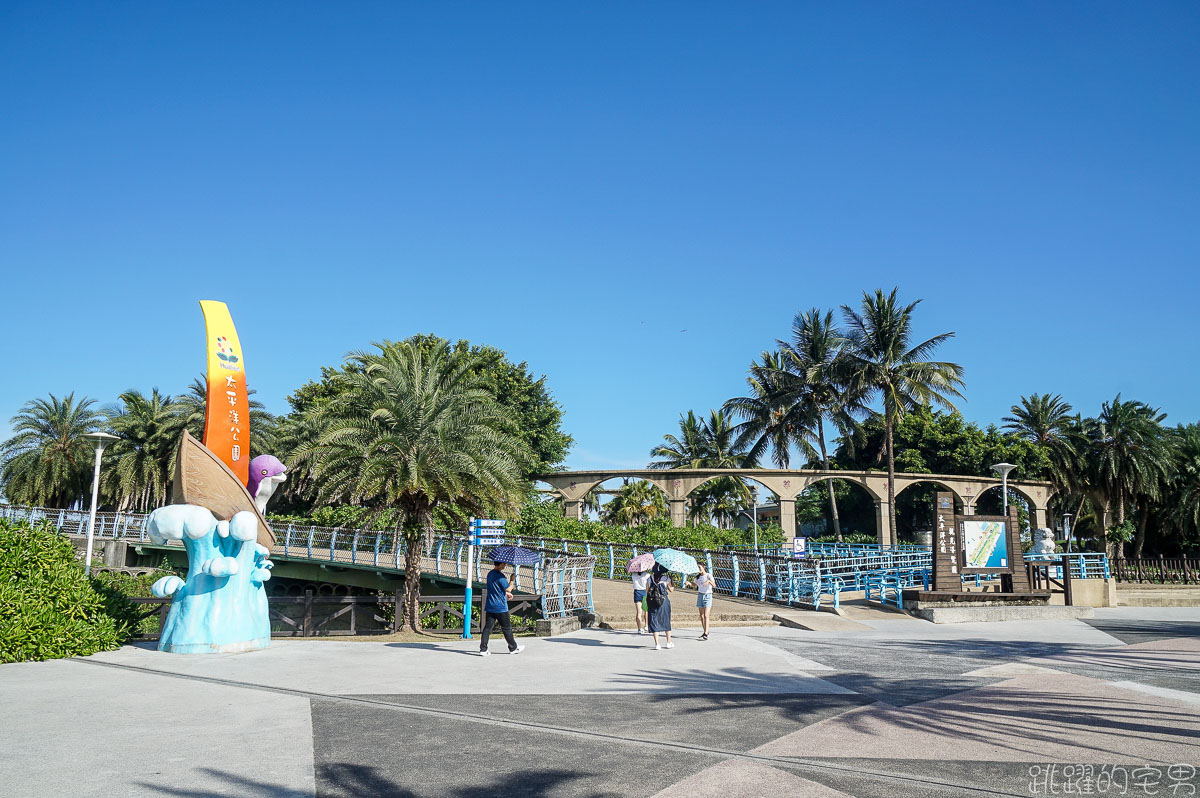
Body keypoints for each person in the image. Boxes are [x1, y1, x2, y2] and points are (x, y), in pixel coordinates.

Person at [479, 560, 524, 656]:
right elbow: (508, 588)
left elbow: (495, 588)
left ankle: (483, 649)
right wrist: (512, 580)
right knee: (507, 628)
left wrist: (506, 594)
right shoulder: (500, 576)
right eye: (503, 563)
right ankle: (513, 648)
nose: (505, 565)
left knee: (487, 628)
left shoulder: (490, 574)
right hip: (500, 607)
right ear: (500, 564)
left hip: (490, 605)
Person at [646, 563, 674, 650]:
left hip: (653, 602)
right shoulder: (666, 578)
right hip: (664, 601)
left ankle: (657, 644)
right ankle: (668, 642)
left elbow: (647, 591)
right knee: (666, 620)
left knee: (654, 620)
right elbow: (671, 590)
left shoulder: (649, 578)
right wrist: (671, 580)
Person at [690, 563, 714, 640]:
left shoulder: (708, 575)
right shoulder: (698, 577)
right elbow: (694, 585)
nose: (699, 569)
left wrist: (709, 582)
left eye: (699, 567)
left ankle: (706, 633)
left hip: (708, 595)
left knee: (706, 615)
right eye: (698, 568)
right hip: (700, 595)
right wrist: (689, 583)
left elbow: (714, 585)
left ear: (704, 567)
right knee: (702, 615)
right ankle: (705, 631)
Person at [631, 566, 651, 634]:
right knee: (646, 611)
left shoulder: (633, 574)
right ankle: (646, 626)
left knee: (639, 612)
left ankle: (639, 628)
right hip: (644, 592)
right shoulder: (647, 575)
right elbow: (649, 584)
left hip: (637, 592)